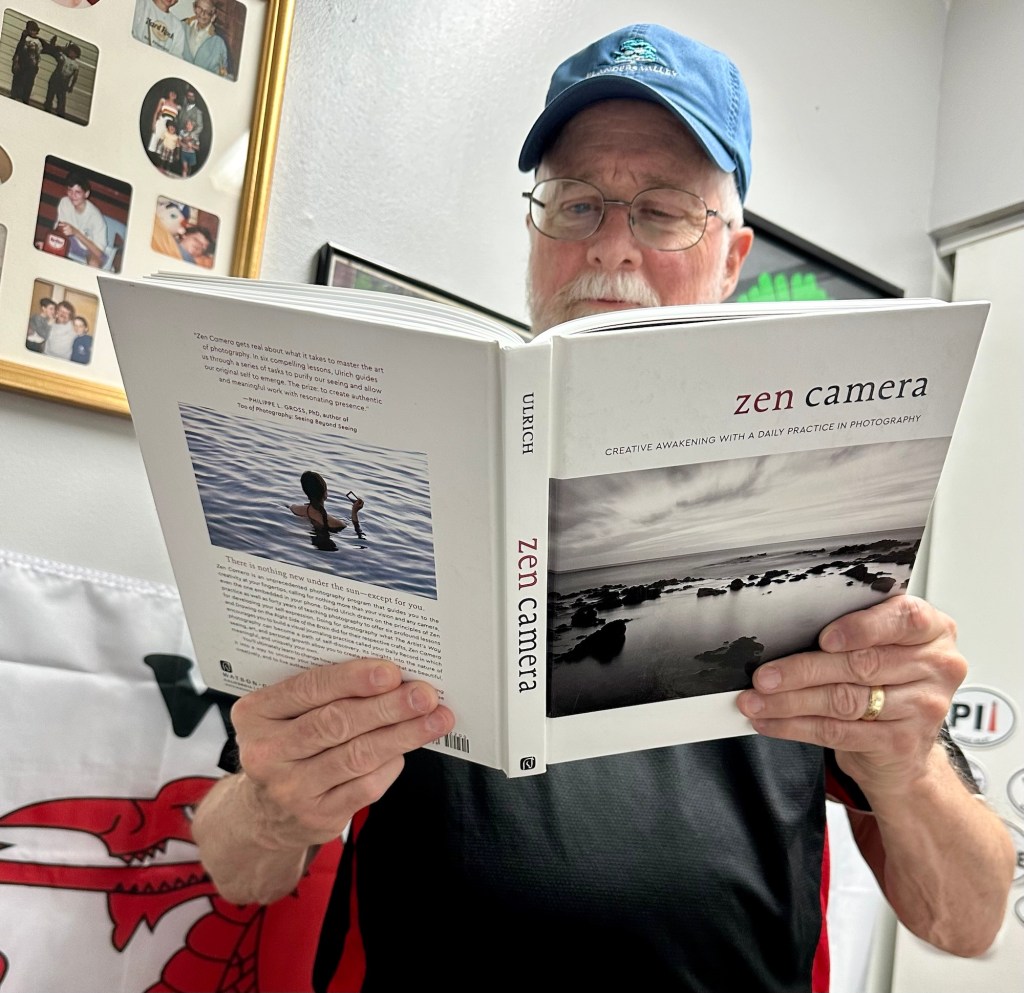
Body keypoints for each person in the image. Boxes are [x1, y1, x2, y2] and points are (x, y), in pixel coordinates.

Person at [192, 25, 1015, 991]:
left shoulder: (819, 534)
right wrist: (272, 808)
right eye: (576, 203)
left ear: (732, 258)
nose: (611, 246)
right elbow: (239, 869)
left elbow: (967, 921)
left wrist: (907, 768)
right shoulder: (385, 486)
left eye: (663, 212)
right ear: (534, 233)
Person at [54, 172, 108, 268]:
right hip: (70, 242)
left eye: (77, 192)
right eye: (70, 190)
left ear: (86, 194)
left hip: (90, 249)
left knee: (94, 263)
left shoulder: (95, 217)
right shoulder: (65, 202)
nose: (72, 195)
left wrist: (76, 232)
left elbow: (99, 252)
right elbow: (58, 231)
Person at [290, 470, 347, 551]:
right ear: (325, 493)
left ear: (307, 492)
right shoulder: (336, 523)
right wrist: (354, 512)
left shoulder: (295, 509)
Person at [182, 0, 231, 77]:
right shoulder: (183, 25)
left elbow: (223, 73)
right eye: (199, 9)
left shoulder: (219, 41)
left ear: (213, 16)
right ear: (194, 8)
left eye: (207, 12)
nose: (202, 14)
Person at [40, 38, 81, 118]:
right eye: (70, 50)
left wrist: (71, 86)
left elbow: (75, 77)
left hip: (64, 83)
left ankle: (60, 113)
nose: (70, 52)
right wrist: (59, 48)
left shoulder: (76, 65)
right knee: (50, 96)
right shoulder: (63, 57)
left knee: (61, 99)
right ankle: (47, 109)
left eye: (73, 52)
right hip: (55, 79)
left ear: (76, 55)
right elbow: (57, 53)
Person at [10, 19, 42, 104]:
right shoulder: (24, 38)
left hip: (32, 66)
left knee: (28, 83)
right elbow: (18, 50)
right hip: (21, 64)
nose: (32, 32)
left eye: (34, 30)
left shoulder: (39, 42)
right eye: (30, 29)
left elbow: (48, 49)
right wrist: (15, 62)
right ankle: (13, 96)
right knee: (17, 80)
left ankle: (25, 99)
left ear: (37, 31)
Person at [147, 87, 181, 155]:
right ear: (169, 93)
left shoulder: (178, 107)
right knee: (155, 140)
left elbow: (176, 120)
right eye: (171, 92)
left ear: (176, 96)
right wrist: (153, 123)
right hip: (161, 122)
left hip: (169, 126)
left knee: (163, 144)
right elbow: (156, 112)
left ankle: (158, 157)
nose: (173, 94)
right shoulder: (163, 100)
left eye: (175, 94)